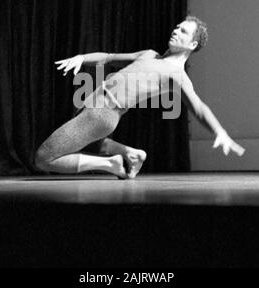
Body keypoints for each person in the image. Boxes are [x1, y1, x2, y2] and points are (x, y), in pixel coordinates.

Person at [34, 16, 245, 179]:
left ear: (192, 45)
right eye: (176, 27)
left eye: (183, 31)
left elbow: (198, 107)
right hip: (94, 107)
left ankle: (110, 164)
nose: (175, 30)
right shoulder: (149, 54)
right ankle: (132, 154)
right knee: (91, 146)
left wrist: (219, 131)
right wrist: (82, 58)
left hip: (103, 113)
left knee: (44, 159)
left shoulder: (177, 76)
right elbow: (109, 57)